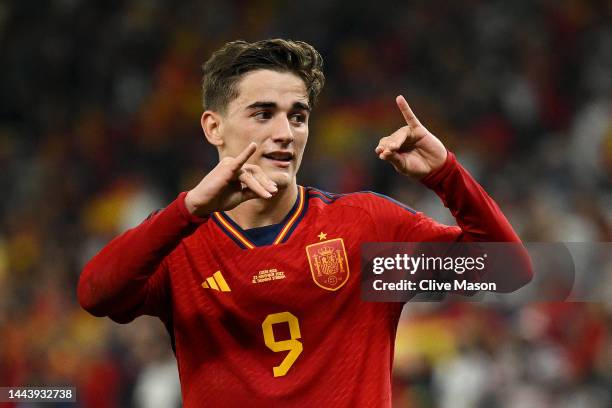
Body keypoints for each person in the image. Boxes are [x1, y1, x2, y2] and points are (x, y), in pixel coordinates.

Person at [78, 39, 531, 407]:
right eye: (263, 113)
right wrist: (190, 210)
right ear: (213, 128)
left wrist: (446, 174)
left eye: (298, 116)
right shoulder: (180, 246)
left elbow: (508, 270)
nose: (285, 132)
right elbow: (96, 296)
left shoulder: (366, 229)